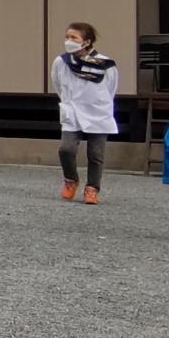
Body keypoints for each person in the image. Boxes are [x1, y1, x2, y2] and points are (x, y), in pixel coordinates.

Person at [51, 21, 118, 204]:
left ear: (86, 41)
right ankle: (71, 179)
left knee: (96, 154)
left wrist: (100, 104)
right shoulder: (61, 62)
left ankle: (92, 188)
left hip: (98, 112)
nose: (68, 40)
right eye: (67, 37)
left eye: (73, 37)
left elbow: (111, 88)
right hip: (72, 111)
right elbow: (57, 84)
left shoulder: (106, 65)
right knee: (66, 149)